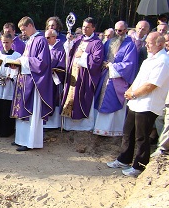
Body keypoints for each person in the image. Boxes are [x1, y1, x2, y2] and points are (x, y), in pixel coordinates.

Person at [107, 32, 169, 177]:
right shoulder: (149, 59)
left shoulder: (163, 61)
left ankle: (139, 166)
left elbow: (151, 85)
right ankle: (124, 158)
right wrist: (130, 91)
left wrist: (134, 94)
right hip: (136, 103)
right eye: (146, 42)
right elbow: (139, 79)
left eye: (150, 42)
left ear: (160, 44)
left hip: (148, 104)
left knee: (141, 137)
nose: (146, 45)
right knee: (128, 132)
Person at [11, 17, 53, 151]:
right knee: (22, 110)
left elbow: (42, 63)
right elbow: (26, 60)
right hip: (25, 79)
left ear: (30, 25)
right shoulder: (30, 40)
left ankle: (30, 142)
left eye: (23, 29)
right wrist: (17, 65)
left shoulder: (40, 40)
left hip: (34, 82)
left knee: (31, 112)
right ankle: (20, 139)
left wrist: (23, 61)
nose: (22, 33)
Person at [93, 21, 138, 136]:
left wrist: (112, 66)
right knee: (100, 101)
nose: (117, 33)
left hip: (118, 79)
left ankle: (112, 131)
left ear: (125, 31)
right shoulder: (109, 42)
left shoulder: (130, 45)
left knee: (112, 102)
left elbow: (129, 64)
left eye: (120, 30)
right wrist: (103, 63)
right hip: (105, 76)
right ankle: (98, 128)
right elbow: (101, 56)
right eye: (116, 30)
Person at [61, 17, 104, 131]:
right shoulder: (79, 39)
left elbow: (97, 61)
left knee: (82, 97)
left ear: (93, 28)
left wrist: (84, 55)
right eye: (83, 26)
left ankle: (84, 127)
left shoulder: (97, 43)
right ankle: (68, 125)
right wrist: (69, 42)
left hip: (84, 76)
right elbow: (69, 52)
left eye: (87, 27)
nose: (84, 29)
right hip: (73, 75)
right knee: (70, 97)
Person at [44, 29, 66, 129]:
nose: (46, 39)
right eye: (45, 37)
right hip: (44, 80)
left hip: (54, 80)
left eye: (48, 37)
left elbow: (62, 66)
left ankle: (54, 124)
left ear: (54, 37)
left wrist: (54, 71)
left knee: (54, 99)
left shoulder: (61, 49)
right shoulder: (44, 48)